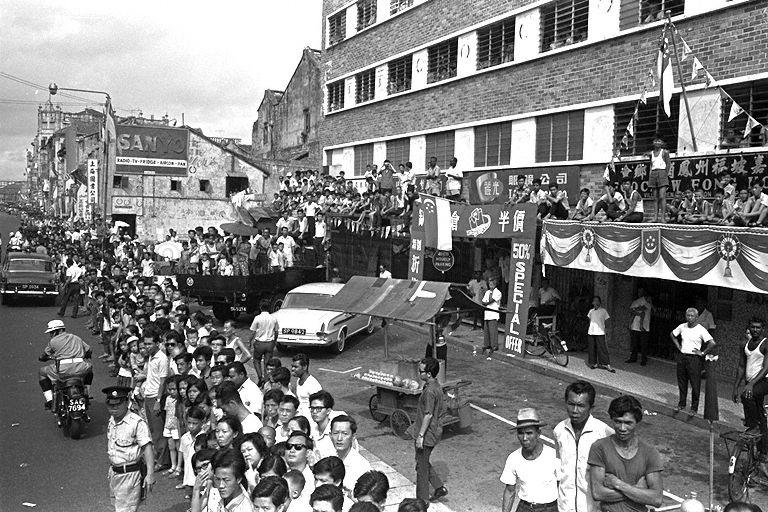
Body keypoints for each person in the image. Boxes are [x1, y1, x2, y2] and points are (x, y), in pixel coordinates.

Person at [588, 395, 664, 511]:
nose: (622, 428)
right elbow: (598, 493)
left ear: (637, 422)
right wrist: (637, 490)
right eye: (618, 422)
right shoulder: (599, 447)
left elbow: (656, 499)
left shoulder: (649, 452)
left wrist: (618, 484)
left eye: (628, 423)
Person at [554, 381, 613, 512]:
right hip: (565, 507)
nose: (575, 411)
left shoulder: (604, 433)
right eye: (571, 404)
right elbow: (559, 468)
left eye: (581, 406)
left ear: (591, 408)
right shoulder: (559, 430)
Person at [103, 385, 155, 512]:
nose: (113, 408)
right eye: (111, 405)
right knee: (117, 507)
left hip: (130, 474)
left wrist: (150, 474)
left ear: (126, 402)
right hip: (115, 473)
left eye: (117, 404)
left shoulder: (136, 423)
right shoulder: (112, 421)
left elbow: (147, 447)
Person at [500, 408, 559, 512]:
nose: (524, 438)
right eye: (521, 433)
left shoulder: (553, 456)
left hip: (550, 508)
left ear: (538, 433)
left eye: (529, 433)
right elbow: (509, 491)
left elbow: (564, 488)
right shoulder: (513, 458)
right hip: (525, 508)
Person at [37, 319, 94, 410]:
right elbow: (89, 350)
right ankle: (87, 393)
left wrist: (42, 358)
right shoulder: (76, 338)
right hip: (81, 369)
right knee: (89, 371)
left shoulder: (53, 341)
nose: (51, 335)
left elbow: (44, 355)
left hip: (63, 371)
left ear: (58, 330)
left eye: (52, 332)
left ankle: (50, 400)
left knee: (42, 372)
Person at [670, 308, 716, 414]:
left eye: (692, 316)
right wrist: (678, 346)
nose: (690, 318)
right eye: (688, 315)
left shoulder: (701, 329)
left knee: (695, 383)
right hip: (682, 357)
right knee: (682, 381)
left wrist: (703, 353)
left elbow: (712, 343)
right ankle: (681, 404)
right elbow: (672, 334)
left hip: (694, 359)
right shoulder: (682, 326)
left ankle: (694, 408)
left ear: (696, 317)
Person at [733, 318, 768, 456]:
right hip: (750, 382)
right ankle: (763, 451)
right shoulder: (745, 344)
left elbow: (766, 368)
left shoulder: (765, 344)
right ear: (749, 328)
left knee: (747, 395)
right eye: (753, 327)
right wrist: (735, 387)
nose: (755, 330)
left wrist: (751, 385)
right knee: (760, 415)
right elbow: (741, 366)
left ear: (763, 329)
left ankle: (753, 426)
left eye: (758, 328)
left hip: (764, 381)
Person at [414, 357, 447, 502]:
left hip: (427, 433)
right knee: (422, 461)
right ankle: (439, 487)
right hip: (434, 431)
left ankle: (422, 501)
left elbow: (428, 415)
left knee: (421, 468)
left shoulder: (429, 391)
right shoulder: (435, 386)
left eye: (421, 371)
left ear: (428, 374)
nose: (418, 373)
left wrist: (420, 436)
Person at [140, 326, 171, 470]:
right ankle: (159, 457)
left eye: (149, 344)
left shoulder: (162, 358)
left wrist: (158, 401)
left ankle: (163, 461)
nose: (147, 346)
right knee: (152, 430)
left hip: (155, 398)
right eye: (145, 344)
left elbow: (163, 381)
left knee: (159, 431)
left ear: (157, 343)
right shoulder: (151, 356)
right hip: (148, 395)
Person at [192, 448, 254, 512]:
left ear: (238, 479)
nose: (221, 485)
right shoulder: (224, 497)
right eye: (218, 479)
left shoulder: (244, 508)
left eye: (226, 480)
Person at [331, 415, 371, 495]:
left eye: (345, 434)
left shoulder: (362, 466)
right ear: (330, 435)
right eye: (335, 433)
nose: (339, 438)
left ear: (353, 437)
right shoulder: (327, 457)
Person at [587, 296, 614, 372]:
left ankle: (607, 364)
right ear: (592, 302)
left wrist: (607, 329)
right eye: (594, 301)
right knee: (592, 348)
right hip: (591, 332)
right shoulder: (591, 311)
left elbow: (607, 321)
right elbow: (590, 320)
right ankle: (594, 363)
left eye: (597, 301)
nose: (595, 302)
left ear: (600, 302)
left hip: (600, 332)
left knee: (602, 348)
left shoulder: (603, 311)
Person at [626, 288, 652, 366]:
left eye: (641, 292)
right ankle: (634, 358)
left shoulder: (649, 302)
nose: (639, 293)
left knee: (644, 344)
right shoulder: (637, 301)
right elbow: (631, 311)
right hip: (635, 326)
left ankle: (643, 359)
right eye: (639, 291)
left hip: (645, 326)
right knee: (635, 343)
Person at [291, 353, 322, 418]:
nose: (292, 369)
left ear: (304, 367)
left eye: (296, 367)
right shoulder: (298, 380)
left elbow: (319, 406)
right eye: (292, 366)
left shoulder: (313, 385)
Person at [648, 136, 671, 223]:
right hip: (654, 173)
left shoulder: (664, 152)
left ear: (662, 143)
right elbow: (651, 164)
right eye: (656, 141)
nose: (657, 143)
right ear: (653, 143)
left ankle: (662, 218)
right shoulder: (651, 153)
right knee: (655, 198)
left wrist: (665, 174)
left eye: (659, 141)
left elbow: (668, 164)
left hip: (662, 173)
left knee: (662, 196)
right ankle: (655, 218)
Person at [482, 277, 502, 359]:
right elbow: (483, 301)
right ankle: (487, 344)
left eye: (491, 284)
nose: (490, 285)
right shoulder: (487, 292)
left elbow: (491, 300)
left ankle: (494, 345)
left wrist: (486, 303)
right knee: (486, 331)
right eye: (489, 284)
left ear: (495, 284)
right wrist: (485, 303)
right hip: (487, 314)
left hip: (493, 314)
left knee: (493, 331)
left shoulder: (498, 292)